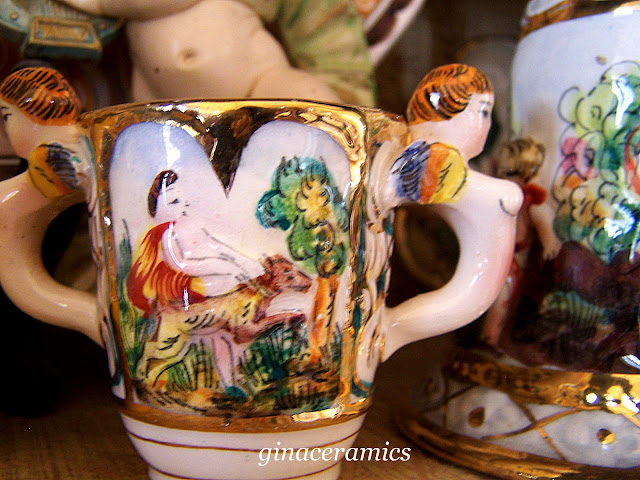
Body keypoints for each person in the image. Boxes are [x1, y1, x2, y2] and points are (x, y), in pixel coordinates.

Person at [0, 66, 83, 198]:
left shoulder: (50, 159)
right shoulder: (77, 145)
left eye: (7, 116)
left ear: (31, 111)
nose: (6, 128)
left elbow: (17, 199)